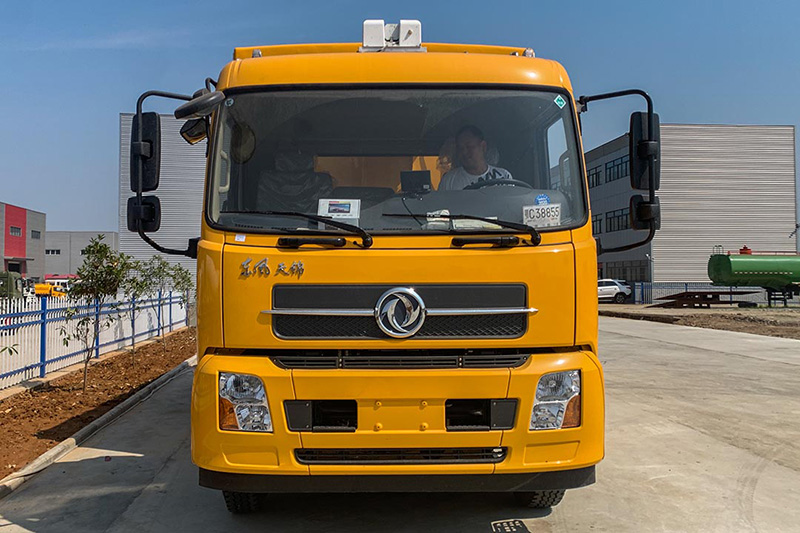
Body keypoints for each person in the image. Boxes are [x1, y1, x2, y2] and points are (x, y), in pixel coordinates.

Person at [438, 125, 513, 190]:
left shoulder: (504, 176)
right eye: (461, 148)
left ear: (483, 146)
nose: (464, 152)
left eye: (469, 147)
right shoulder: (449, 181)